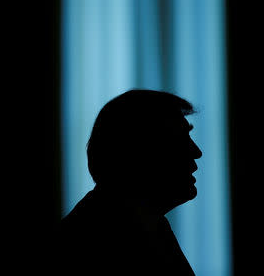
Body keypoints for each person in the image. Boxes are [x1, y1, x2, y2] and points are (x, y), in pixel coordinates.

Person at [59, 90, 202, 275]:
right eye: (180, 139)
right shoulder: (93, 243)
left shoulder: (152, 227)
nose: (196, 151)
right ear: (138, 153)